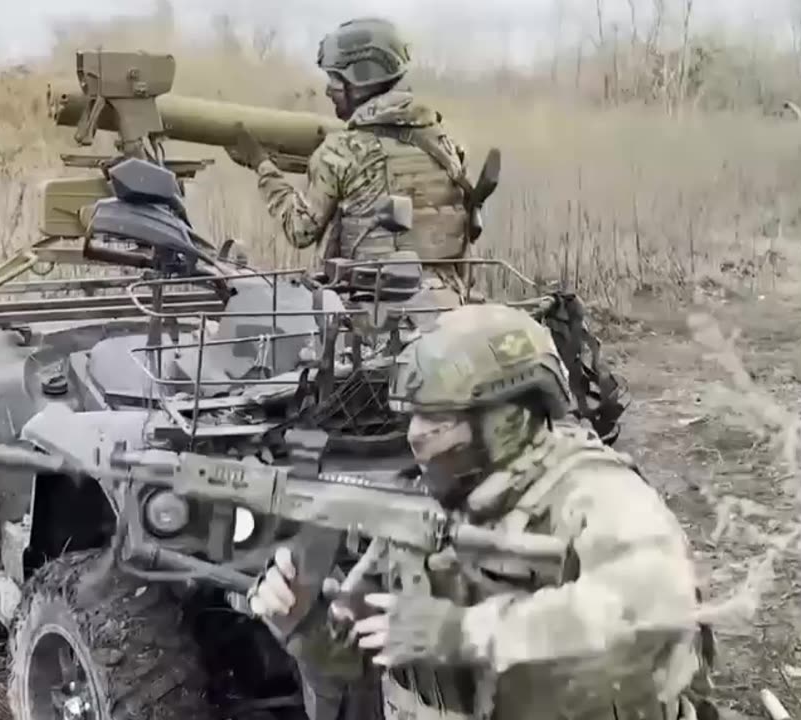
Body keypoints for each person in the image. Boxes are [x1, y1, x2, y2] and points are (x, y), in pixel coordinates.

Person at [247, 303, 718, 720]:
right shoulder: (429, 502)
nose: (415, 434)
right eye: (413, 415)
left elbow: (656, 615)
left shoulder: (598, 495)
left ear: (508, 418)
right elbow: (354, 663)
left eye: (439, 418)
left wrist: (461, 632)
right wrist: (303, 623)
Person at [226, 17, 479, 302]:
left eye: (335, 80)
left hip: (373, 313)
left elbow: (300, 230)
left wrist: (262, 166)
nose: (328, 90)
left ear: (359, 81)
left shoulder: (341, 150)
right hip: (446, 305)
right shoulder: (448, 141)